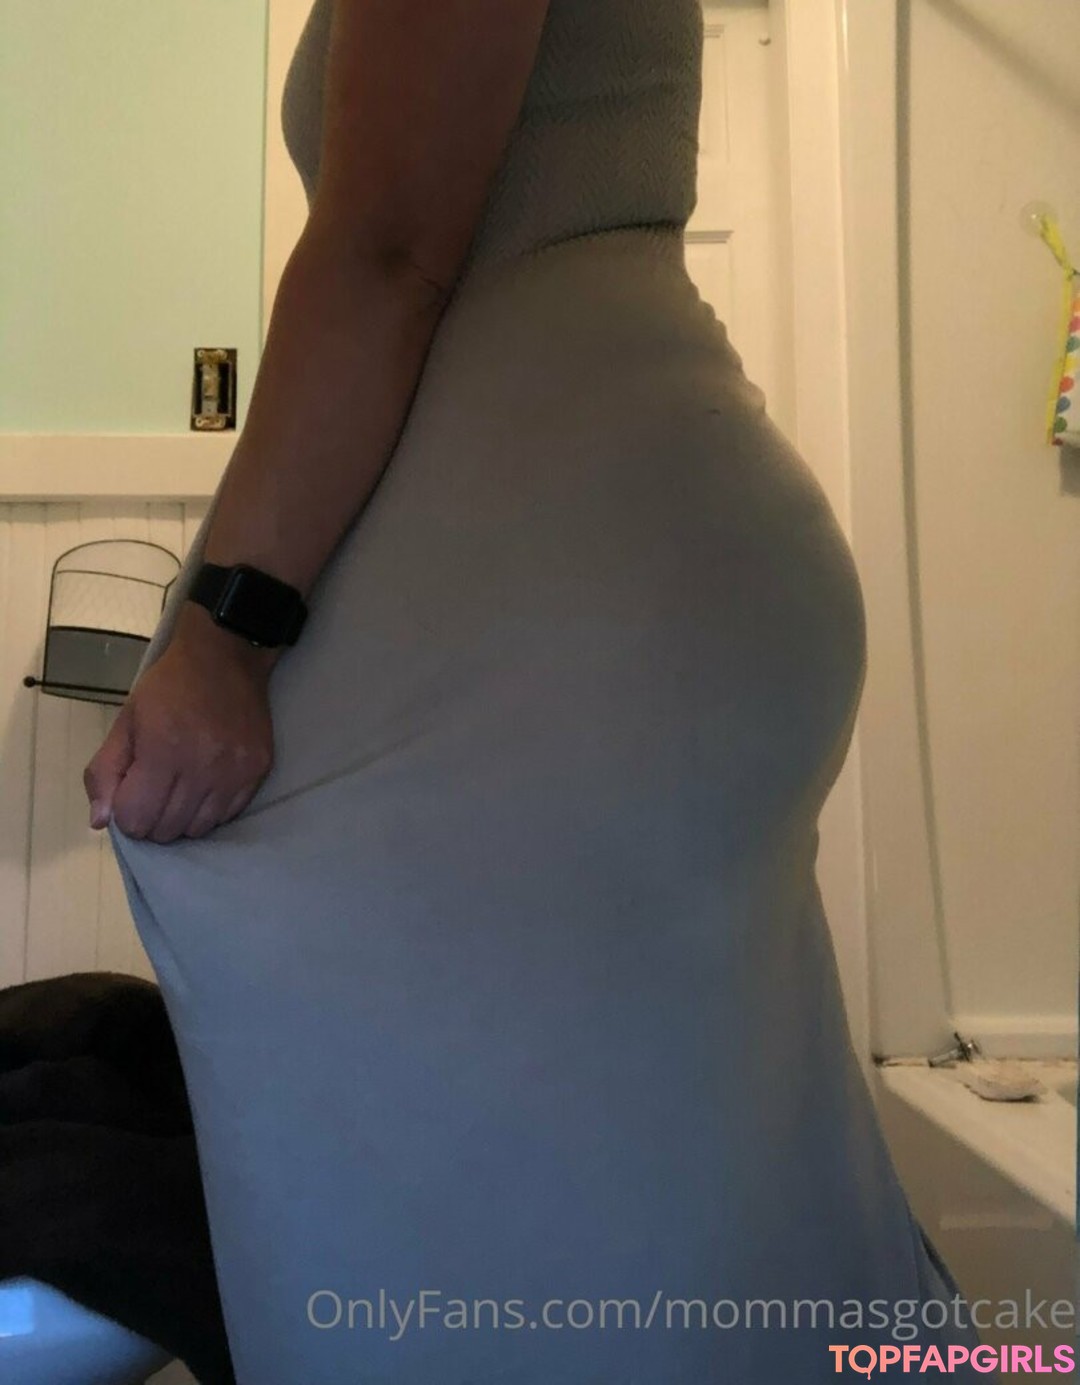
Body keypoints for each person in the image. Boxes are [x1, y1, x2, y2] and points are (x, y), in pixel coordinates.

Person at [85, 1, 993, 1380]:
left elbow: (389, 246)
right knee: (681, 1174)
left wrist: (228, 631)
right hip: (610, 568)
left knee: (516, 1210)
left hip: (579, 583)